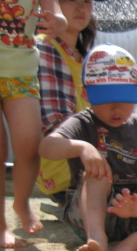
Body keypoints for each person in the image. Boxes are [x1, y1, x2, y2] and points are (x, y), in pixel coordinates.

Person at [39, 43, 137, 251]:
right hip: (89, 216)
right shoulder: (83, 123)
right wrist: (82, 147)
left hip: (131, 211)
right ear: (86, 94)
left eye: (125, 100)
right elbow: (47, 147)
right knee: (97, 174)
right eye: (106, 100)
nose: (117, 108)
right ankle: (97, 240)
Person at [0, 0, 67, 248]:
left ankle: (21, 202)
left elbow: (57, 14)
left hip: (22, 73)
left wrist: (58, 22)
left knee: (30, 146)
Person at [36, 0, 98, 205]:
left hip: (86, 163)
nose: (81, 7)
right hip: (66, 170)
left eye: (86, 1)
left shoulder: (86, 57)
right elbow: (56, 124)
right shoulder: (45, 47)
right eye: (71, 0)